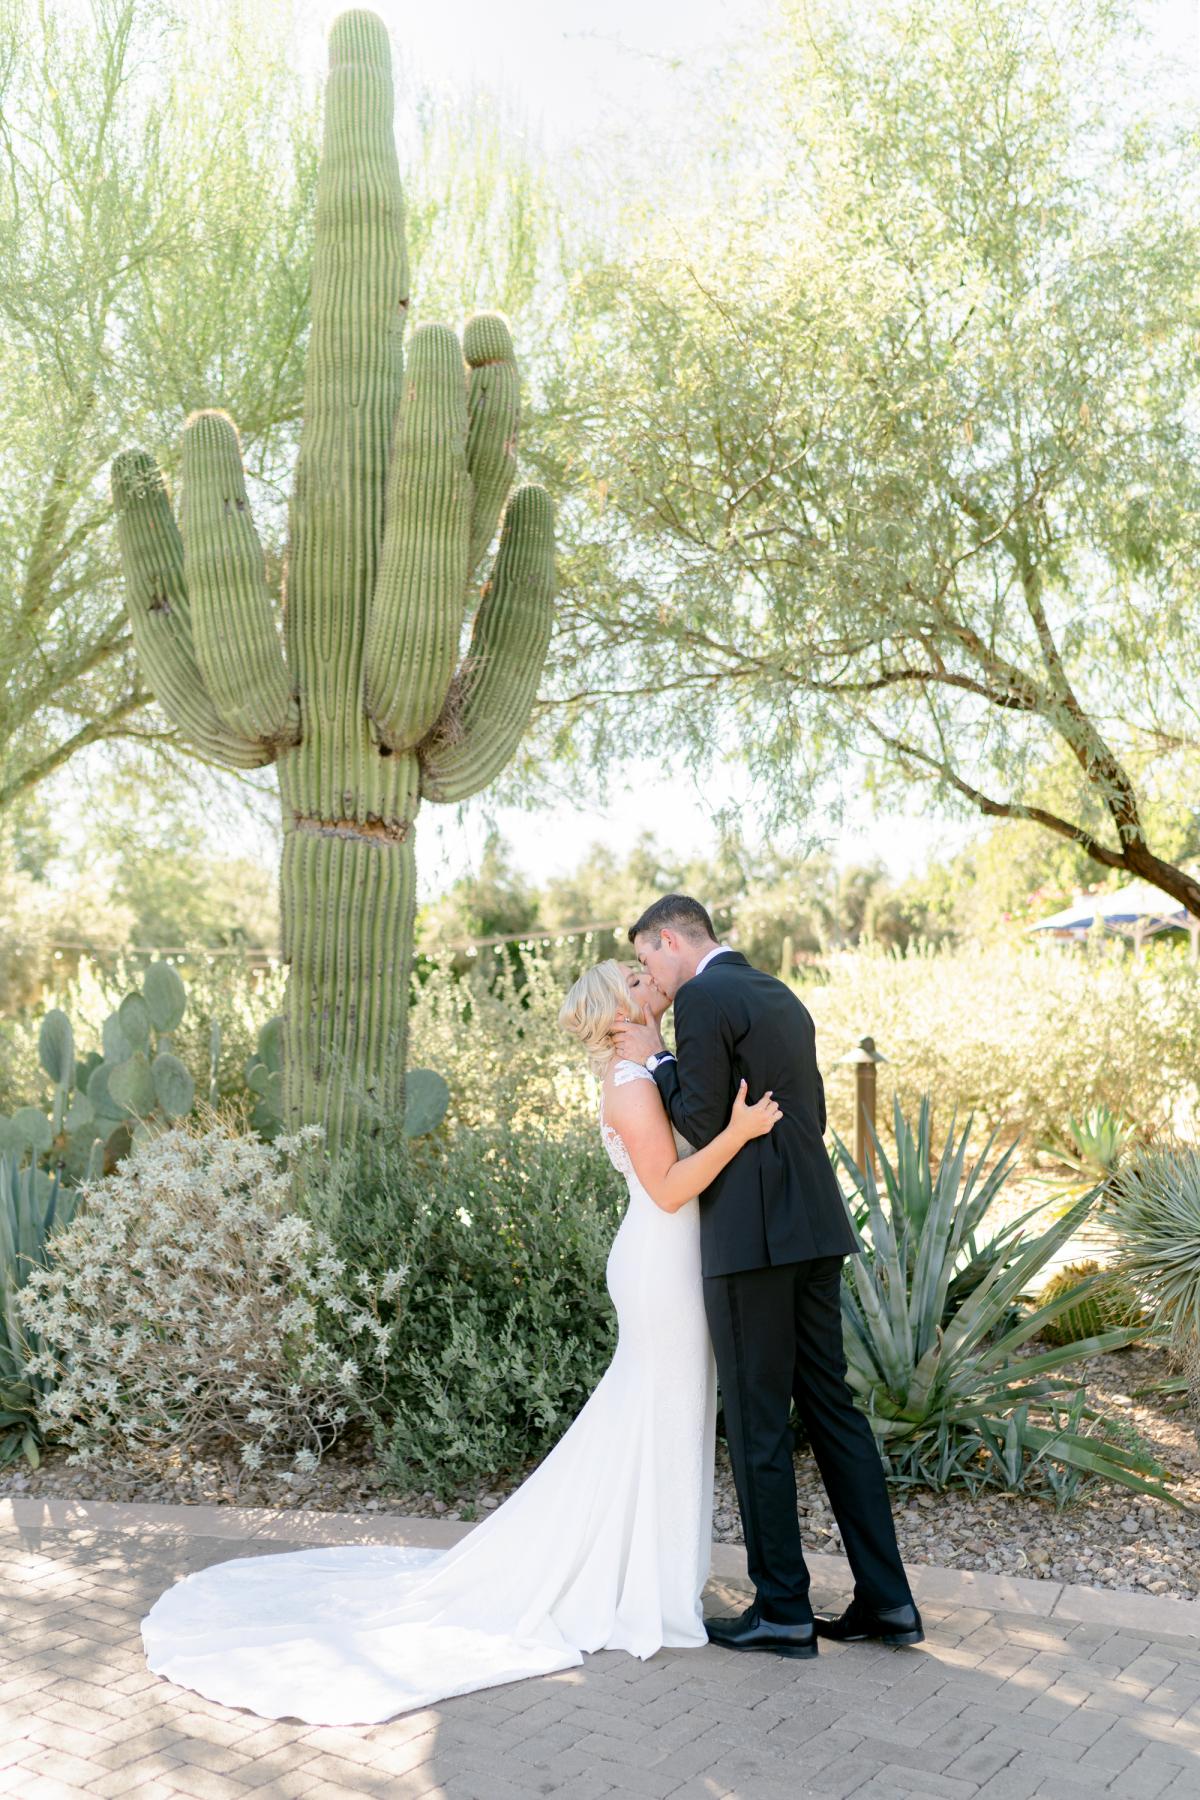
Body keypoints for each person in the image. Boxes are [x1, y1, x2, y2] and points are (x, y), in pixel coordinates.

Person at [137, 959, 780, 1726]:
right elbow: (672, 1187)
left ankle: (654, 1575)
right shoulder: (631, 1086)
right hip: (658, 1265)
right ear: (617, 1012)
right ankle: (642, 1583)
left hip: (669, 1262)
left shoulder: (644, 1071)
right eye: (636, 980)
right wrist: (740, 1133)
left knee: (658, 1417)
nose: (652, 983)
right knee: (656, 1415)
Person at [614, 893, 922, 1655]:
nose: (649, 976)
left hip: (751, 1240)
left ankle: (782, 1607)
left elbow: (698, 1118)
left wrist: (654, 1057)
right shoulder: (776, 991)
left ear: (668, 939)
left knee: (757, 1422)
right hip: (814, 1227)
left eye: (648, 958)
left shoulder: (705, 997)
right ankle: (889, 1603)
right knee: (831, 1410)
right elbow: (799, 1112)